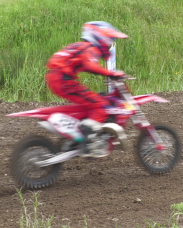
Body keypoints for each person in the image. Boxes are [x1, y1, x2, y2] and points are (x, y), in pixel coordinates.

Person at [46, 21, 127, 156]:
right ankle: (88, 140)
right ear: (100, 37)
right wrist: (111, 73)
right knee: (100, 105)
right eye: (110, 39)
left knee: (94, 100)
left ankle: (80, 131)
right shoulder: (90, 48)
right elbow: (90, 66)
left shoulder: (81, 46)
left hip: (57, 77)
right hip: (62, 80)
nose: (110, 43)